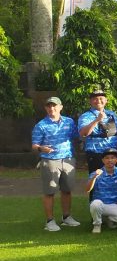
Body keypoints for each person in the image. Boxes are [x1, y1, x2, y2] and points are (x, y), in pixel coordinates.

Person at [32, 96, 80, 231]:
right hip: (50, 160)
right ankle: (50, 221)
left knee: (67, 190)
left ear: (60, 107)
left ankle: (66, 217)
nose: (51, 108)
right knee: (50, 191)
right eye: (49, 106)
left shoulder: (69, 122)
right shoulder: (41, 125)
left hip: (68, 159)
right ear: (45, 108)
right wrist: (41, 148)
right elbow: (34, 145)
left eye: (54, 105)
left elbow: (76, 136)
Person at [77, 88, 117, 183]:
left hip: (112, 153)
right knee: (96, 180)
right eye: (95, 99)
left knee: (114, 180)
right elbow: (83, 133)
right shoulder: (85, 116)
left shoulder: (112, 114)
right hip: (96, 153)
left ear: (106, 100)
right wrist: (97, 120)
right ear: (90, 101)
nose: (98, 101)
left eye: (101, 98)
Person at [86, 148, 117, 233]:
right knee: (95, 204)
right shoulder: (96, 173)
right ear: (103, 160)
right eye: (107, 158)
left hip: (115, 204)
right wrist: (94, 177)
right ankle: (97, 225)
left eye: (112, 158)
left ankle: (109, 219)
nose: (109, 160)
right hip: (100, 204)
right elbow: (87, 189)